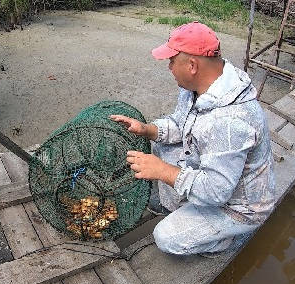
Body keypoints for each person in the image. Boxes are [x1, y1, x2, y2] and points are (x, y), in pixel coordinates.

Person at [110, 21, 275, 255]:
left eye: (171, 61)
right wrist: (146, 129)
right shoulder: (197, 87)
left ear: (192, 65)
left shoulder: (229, 122)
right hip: (220, 176)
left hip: (239, 205)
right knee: (160, 145)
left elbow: (217, 192)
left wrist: (163, 171)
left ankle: (229, 240)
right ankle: (178, 205)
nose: (168, 67)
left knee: (166, 237)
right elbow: (181, 124)